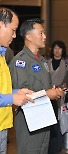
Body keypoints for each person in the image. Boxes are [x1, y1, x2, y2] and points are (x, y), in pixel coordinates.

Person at [9, 18, 64, 154]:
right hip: (29, 119)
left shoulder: (43, 61)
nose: (44, 37)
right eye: (41, 33)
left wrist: (54, 91)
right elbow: (21, 95)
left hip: (44, 116)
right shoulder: (20, 61)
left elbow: (44, 85)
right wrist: (48, 93)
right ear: (29, 36)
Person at [0, 7, 34, 154]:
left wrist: (16, 92)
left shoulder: (2, 55)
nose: (14, 36)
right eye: (13, 30)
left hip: (2, 125)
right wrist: (12, 98)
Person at [47, 40, 68, 153]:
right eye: (55, 48)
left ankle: (57, 147)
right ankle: (51, 146)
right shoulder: (47, 62)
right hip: (48, 96)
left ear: (63, 50)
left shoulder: (66, 63)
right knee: (50, 123)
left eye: (59, 48)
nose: (57, 51)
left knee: (58, 122)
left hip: (61, 97)